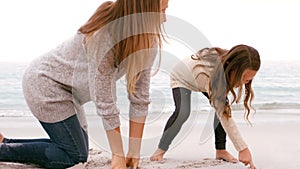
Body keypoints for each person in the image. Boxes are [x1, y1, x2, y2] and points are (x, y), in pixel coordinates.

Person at [0, 0, 169, 169]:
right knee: (74, 155)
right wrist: (118, 156)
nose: (164, 19)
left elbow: (139, 98)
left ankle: (5, 143)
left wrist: (134, 152)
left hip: (69, 94)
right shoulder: (104, 35)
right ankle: (3, 151)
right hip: (45, 84)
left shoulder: (148, 43)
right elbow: (105, 100)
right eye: (162, 11)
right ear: (144, 10)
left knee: (74, 149)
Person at [150, 44, 260, 169]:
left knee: (222, 107)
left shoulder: (227, 69)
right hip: (182, 77)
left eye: (249, 80)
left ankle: (221, 151)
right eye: (244, 79)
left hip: (202, 79)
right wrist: (243, 149)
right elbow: (224, 114)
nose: (244, 83)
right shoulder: (212, 74)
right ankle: (160, 150)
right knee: (183, 112)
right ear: (234, 69)